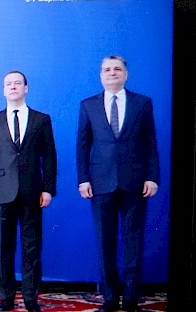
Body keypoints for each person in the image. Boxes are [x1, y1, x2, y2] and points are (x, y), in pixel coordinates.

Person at [76, 56, 160, 312]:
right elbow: (82, 145)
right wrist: (83, 179)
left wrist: (152, 177)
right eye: (107, 70)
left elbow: (150, 142)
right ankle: (110, 298)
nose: (112, 73)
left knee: (134, 242)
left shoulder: (142, 103)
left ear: (126, 74)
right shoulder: (88, 105)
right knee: (105, 242)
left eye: (117, 69)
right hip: (100, 183)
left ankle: (132, 299)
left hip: (135, 182)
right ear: (100, 75)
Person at [0, 71, 57, 312]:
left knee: (31, 247)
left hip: (32, 193)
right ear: (3, 90)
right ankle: (6, 297)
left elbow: (50, 157)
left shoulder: (41, 119)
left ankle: (30, 297)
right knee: (3, 247)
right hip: (2, 192)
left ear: (26, 88)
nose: (13, 87)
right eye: (8, 84)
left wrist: (48, 189)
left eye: (17, 83)